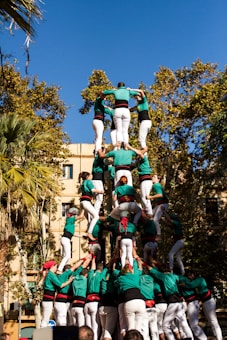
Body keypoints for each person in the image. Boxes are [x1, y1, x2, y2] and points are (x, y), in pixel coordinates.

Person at [148, 263, 194, 340]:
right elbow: (182, 280)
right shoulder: (175, 276)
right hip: (179, 302)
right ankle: (191, 338)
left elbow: (151, 270)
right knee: (184, 323)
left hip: (173, 302)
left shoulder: (163, 276)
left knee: (165, 326)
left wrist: (143, 263)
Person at [183, 271, 223, 340]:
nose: (189, 278)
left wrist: (184, 285)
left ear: (193, 274)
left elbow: (191, 285)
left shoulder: (199, 280)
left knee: (213, 321)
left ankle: (219, 337)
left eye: (190, 275)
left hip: (208, 301)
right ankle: (216, 336)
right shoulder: (197, 280)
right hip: (205, 302)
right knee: (210, 321)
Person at [40, 260, 74, 328]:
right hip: (48, 300)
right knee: (45, 319)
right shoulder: (51, 274)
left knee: (45, 318)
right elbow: (60, 285)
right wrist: (69, 281)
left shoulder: (49, 274)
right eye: (56, 266)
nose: (56, 268)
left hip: (47, 300)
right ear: (52, 266)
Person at [78, 171, 104, 240]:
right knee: (96, 216)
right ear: (87, 177)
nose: (91, 177)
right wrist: (101, 191)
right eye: (90, 176)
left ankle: (88, 231)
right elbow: (93, 190)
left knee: (90, 220)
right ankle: (89, 233)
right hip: (86, 202)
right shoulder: (88, 181)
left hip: (82, 202)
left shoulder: (83, 183)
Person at [57, 207, 84, 274]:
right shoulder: (71, 219)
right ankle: (59, 269)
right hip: (66, 239)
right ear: (73, 214)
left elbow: (72, 234)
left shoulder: (70, 223)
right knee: (68, 256)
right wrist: (83, 208)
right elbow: (81, 216)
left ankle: (61, 268)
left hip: (65, 238)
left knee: (66, 256)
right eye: (75, 214)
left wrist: (82, 236)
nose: (76, 216)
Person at [161, 209, 185, 274]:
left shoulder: (177, 223)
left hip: (179, 241)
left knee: (170, 254)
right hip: (181, 242)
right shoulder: (175, 226)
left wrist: (164, 211)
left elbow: (169, 220)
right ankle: (183, 272)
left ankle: (170, 269)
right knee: (178, 258)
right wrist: (162, 220)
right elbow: (168, 224)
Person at [146, 174, 169, 239]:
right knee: (150, 215)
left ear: (158, 180)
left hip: (163, 204)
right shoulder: (155, 186)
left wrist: (150, 197)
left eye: (154, 177)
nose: (152, 178)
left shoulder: (156, 185)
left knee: (155, 219)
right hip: (160, 204)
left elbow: (160, 195)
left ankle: (158, 235)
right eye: (152, 176)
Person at [136, 151, 153, 218]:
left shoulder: (145, 159)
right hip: (144, 181)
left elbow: (140, 154)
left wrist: (129, 147)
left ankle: (149, 213)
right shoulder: (140, 163)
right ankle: (147, 211)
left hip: (146, 180)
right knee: (143, 197)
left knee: (145, 197)